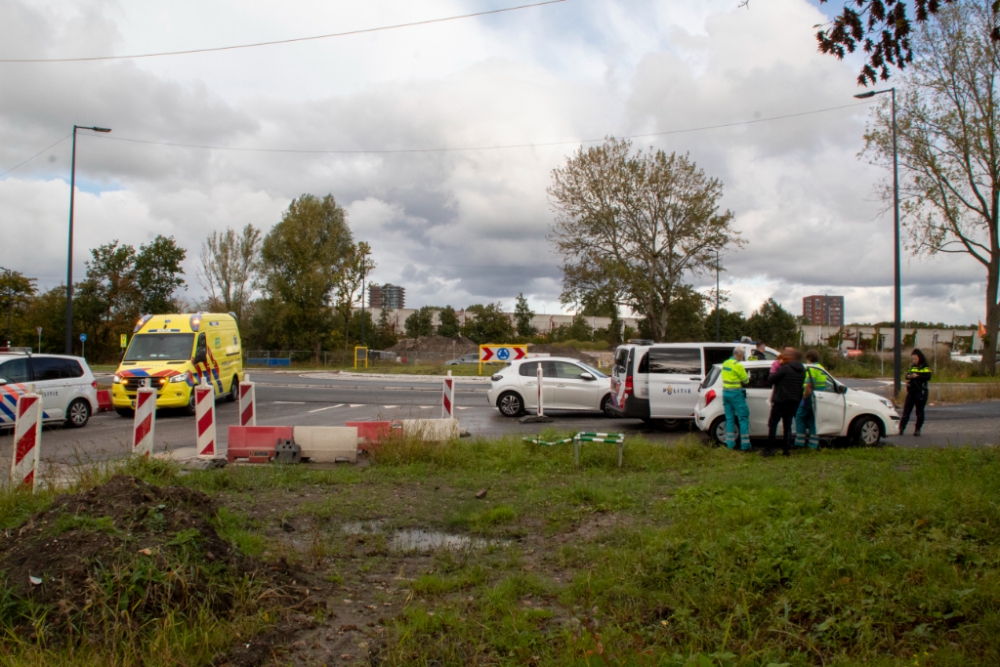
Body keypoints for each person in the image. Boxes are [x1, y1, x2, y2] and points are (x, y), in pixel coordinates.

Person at [765, 347, 805, 457]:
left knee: (773, 424)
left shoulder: (785, 368)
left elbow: (771, 379)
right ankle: (786, 450)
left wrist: (778, 367)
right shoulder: (801, 369)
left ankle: (769, 449)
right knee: (787, 426)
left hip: (781, 400)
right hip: (794, 401)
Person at [794, 349, 827, 449]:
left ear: (809, 358)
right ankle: (813, 444)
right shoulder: (821, 368)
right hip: (819, 397)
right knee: (813, 419)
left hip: (809, 397)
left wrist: (804, 399)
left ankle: (799, 442)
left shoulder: (811, 369)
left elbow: (809, 386)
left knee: (799, 417)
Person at [721, 347, 751, 451]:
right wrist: (748, 377)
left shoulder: (725, 363)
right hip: (736, 394)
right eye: (742, 356)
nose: (742, 358)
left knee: (729, 419)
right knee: (743, 417)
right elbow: (745, 381)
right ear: (739, 355)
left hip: (725, 393)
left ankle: (730, 444)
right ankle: (745, 445)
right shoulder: (738, 365)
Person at [899, 349, 932, 436]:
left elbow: (928, 377)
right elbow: (907, 375)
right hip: (911, 391)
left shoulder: (925, 367)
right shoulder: (913, 366)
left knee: (919, 412)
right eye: (912, 359)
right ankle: (901, 427)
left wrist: (918, 376)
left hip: (920, 391)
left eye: (915, 359)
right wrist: (909, 376)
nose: (914, 361)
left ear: (920, 357)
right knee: (906, 410)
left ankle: (917, 429)